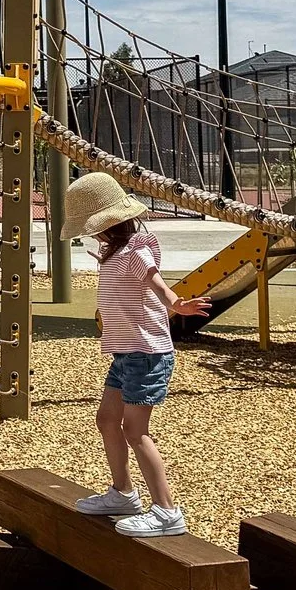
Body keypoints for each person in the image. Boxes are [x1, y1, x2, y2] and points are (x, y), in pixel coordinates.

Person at [63, 171, 202, 537]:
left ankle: (167, 511)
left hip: (146, 353)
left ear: (108, 223)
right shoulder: (114, 253)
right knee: (107, 419)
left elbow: (156, 282)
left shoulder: (137, 251)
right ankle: (123, 493)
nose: (91, 233)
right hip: (126, 353)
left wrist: (176, 303)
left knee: (135, 430)